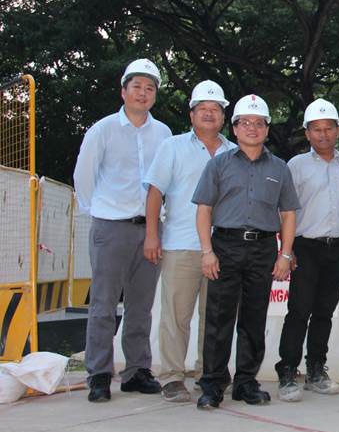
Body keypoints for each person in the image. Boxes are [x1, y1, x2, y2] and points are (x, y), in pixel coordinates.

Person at [191, 94, 299, 410]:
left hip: (263, 248)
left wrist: (285, 254)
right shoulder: (218, 164)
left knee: (253, 319)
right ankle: (212, 385)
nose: (252, 128)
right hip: (224, 246)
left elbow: (289, 214)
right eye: (245, 122)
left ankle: (246, 383)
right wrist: (207, 251)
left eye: (259, 123)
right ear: (235, 128)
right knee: (218, 318)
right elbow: (204, 210)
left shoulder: (280, 168)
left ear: (267, 128)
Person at [74, 58, 171, 403]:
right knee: (102, 304)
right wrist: (99, 212)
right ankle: (99, 373)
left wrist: (157, 226)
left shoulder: (162, 134)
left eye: (149, 89)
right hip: (111, 228)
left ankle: (136, 371)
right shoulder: (102, 130)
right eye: (137, 87)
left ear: (155, 95)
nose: (143, 94)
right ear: (123, 90)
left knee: (141, 305)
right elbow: (83, 177)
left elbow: (165, 182)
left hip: (149, 231)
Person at [144, 80, 235, 403]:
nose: (209, 114)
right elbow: (155, 191)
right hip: (181, 243)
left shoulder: (233, 152)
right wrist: (152, 234)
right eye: (203, 109)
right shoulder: (172, 147)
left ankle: (207, 373)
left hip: (222, 247)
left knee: (215, 317)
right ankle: (171, 376)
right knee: (176, 316)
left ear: (224, 116)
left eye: (216, 110)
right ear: (192, 113)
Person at [275, 98, 339, 402]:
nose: (323, 135)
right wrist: (287, 250)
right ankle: (287, 370)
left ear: (338, 130)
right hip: (306, 248)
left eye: (329, 128)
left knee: (324, 313)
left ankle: (316, 369)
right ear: (307, 133)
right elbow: (285, 212)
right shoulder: (296, 167)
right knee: (299, 311)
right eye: (317, 130)